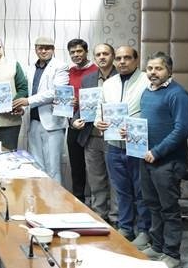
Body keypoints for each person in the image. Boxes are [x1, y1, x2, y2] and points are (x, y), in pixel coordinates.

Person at [138, 52, 188, 268]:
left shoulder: (178, 94)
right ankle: (157, 245)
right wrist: (129, 132)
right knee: (153, 205)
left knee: (168, 209)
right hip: (146, 158)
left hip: (167, 161)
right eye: (150, 68)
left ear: (169, 70)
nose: (153, 72)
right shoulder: (147, 92)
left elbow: (182, 129)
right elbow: (146, 122)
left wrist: (158, 151)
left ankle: (172, 253)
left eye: (158, 68)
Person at [94, 46, 151, 248]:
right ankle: (125, 227)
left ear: (136, 60)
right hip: (114, 146)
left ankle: (144, 230)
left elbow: (153, 111)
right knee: (122, 190)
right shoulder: (109, 83)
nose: (122, 62)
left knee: (141, 191)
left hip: (137, 145)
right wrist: (98, 122)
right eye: (118, 58)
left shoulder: (147, 81)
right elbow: (100, 109)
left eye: (127, 58)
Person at [70, 43, 117, 224]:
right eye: (99, 54)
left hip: (114, 138)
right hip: (91, 136)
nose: (102, 57)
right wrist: (74, 121)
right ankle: (99, 215)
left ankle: (116, 218)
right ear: (95, 57)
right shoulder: (88, 79)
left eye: (106, 53)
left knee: (115, 181)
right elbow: (83, 107)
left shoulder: (121, 77)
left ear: (112, 56)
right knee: (96, 180)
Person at [12, 37, 68, 182]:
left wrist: (28, 101)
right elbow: (29, 92)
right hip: (33, 122)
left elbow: (56, 92)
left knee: (53, 169)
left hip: (52, 124)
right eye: (40, 48)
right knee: (37, 167)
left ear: (53, 50)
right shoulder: (31, 68)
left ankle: (55, 197)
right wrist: (23, 107)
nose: (43, 51)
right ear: (35, 49)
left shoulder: (61, 66)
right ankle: (41, 196)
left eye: (47, 48)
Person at [66, 39, 98, 202]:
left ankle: (97, 201)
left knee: (96, 167)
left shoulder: (97, 71)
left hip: (93, 125)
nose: (76, 55)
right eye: (72, 52)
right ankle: (78, 199)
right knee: (76, 165)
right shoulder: (69, 72)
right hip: (74, 123)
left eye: (79, 51)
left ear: (86, 52)